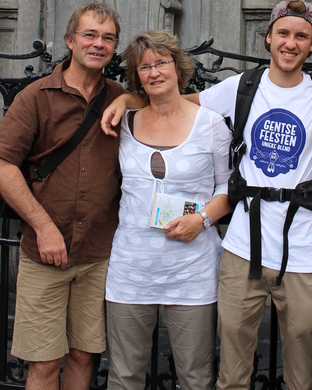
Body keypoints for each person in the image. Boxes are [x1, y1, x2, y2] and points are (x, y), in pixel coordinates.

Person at [102, 0, 312, 390]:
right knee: (232, 372)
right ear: (268, 37)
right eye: (283, 33)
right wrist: (125, 98)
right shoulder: (243, 87)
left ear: (311, 45)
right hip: (242, 247)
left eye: (301, 36)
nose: (291, 42)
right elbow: (174, 101)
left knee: (302, 371)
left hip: (304, 249)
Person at [0, 2, 125, 390]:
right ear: (70, 40)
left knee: (83, 355)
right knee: (45, 363)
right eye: (90, 35)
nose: (98, 44)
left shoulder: (120, 98)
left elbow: (170, 107)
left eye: (107, 38)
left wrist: (130, 100)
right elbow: (2, 166)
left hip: (99, 252)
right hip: (45, 252)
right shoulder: (37, 96)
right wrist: (44, 228)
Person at [104, 30, 232, 390]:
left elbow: (227, 187)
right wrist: (124, 101)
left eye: (161, 62)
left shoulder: (210, 125)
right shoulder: (124, 124)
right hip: (132, 270)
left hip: (192, 272)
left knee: (195, 377)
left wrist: (203, 218)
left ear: (178, 67)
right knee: (124, 376)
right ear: (136, 77)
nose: (154, 72)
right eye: (144, 67)